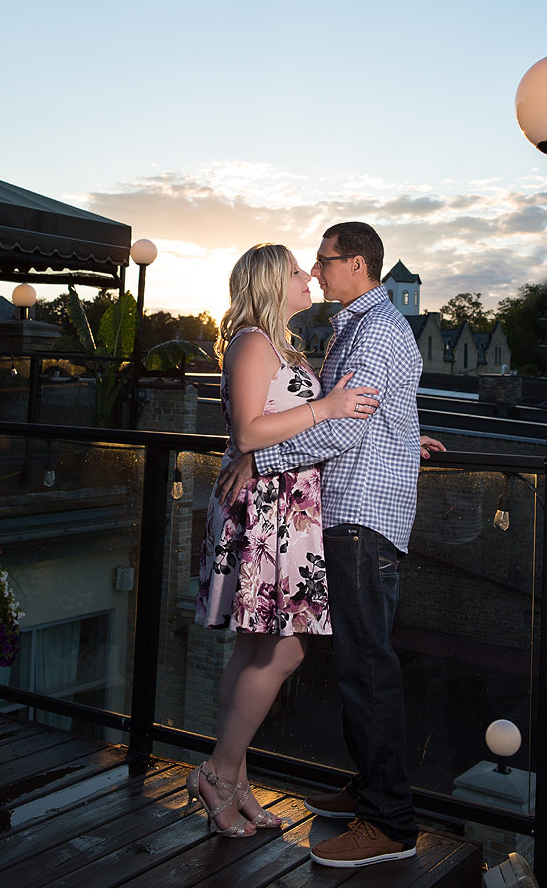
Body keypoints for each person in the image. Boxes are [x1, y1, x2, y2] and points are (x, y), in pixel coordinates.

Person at [217, 221, 445, 868]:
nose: (315, 272)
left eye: (324, 262)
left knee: (366, 667)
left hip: (359, 516)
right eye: (308, 265)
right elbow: (365, 414)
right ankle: (370, 789)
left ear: (357, 264)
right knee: (356, 663)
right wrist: (401, 440)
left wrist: (258, 463)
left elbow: (345, 427)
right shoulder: (357, 325)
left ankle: (389, 821)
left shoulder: (373, 329)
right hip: (344, 511)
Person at [188, 242, 381, 837]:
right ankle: (220, 773)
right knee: (285, 648)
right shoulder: (251, 341)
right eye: (298, 269)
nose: (309, 276)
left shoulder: (282, 345)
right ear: (273, 282)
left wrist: (393, 441)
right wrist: (326, 408)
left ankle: (233, 776)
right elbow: (249, 428)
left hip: (286, 507)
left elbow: (274, 430)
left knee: (253, 648)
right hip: (266, 511)